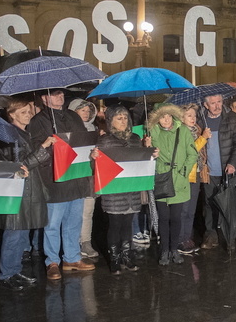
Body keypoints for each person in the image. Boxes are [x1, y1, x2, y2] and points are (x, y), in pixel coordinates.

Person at [29, 89, 95, 280]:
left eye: (61, 93)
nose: (60, 97)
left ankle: (72, 258)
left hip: (76, 177)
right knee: (53, 224)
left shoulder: (73, 116)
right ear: (44, 98)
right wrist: (51, 147)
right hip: (54, 179)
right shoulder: (38, 121)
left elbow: (83, 141)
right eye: (55, 94)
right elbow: (36, 150)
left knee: (74, 221)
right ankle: (52, 261)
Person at [0, 97, 54, 291]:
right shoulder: (8, 135)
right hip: (16, 191)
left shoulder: (23, 134)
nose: (28, 114)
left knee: (21, 234)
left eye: (29, 111)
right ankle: (6, 275)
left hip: (28, 190)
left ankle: (15, 271)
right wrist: (43, 148)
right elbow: (19, 166)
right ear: (11, 115)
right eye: (23, 112)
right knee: (13, 233)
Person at [93, 105, 150, 274]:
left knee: (127, 225)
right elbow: (98, 168)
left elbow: (140, 162)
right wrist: (94, 158)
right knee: (115, 225)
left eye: (125, 118)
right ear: (110, 121)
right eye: (119, 118)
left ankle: (127, 255)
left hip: (131, 190)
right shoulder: (105, 140)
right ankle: (115, 258)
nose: (123, 121)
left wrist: (147, 149)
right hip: (114, 191)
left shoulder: (135, 138)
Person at [149, 104, 197, 265]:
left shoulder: (182, 131)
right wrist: (148, 148)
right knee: (163, 217)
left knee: (176, 218)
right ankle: (164, 250)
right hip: (162, 180)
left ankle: (174, 249)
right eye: (162, 116)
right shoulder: (152, 133)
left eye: (169, 116)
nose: (166, 119)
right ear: (157, 118)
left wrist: (184, 171)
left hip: (179, 181)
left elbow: (192, 154)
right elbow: (148, 155)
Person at [200, 94, 236, 250]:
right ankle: (211, 235)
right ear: (206, 105)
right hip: (209, 171)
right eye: (213, 103)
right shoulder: (201, 120)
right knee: (209, 204)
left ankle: (230, 238)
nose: (217, 106)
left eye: (219, 102)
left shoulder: (231, 118)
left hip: (228, 170)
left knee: (228, 205)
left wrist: (232, 163)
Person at [69, 97, 100, 259]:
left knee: (88, 211)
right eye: (83, 110)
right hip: (73, 177)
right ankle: (71, 244)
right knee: (72, 213)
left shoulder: (94, 129)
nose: (87, 113)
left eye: (89, 111)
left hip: (89, 176)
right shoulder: (67, 130)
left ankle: (85, 242)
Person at [179, 103, 208, 254]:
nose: (193, 118)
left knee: (191, 210)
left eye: (194, 115)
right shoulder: (179, 131)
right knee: (183, 210)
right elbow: (189, 151)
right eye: (189, 115)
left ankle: (187, 237)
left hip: (195, 173)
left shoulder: (196, 131)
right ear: (181, 117)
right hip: (184, 175)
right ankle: (181, 240)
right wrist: (203, 138)